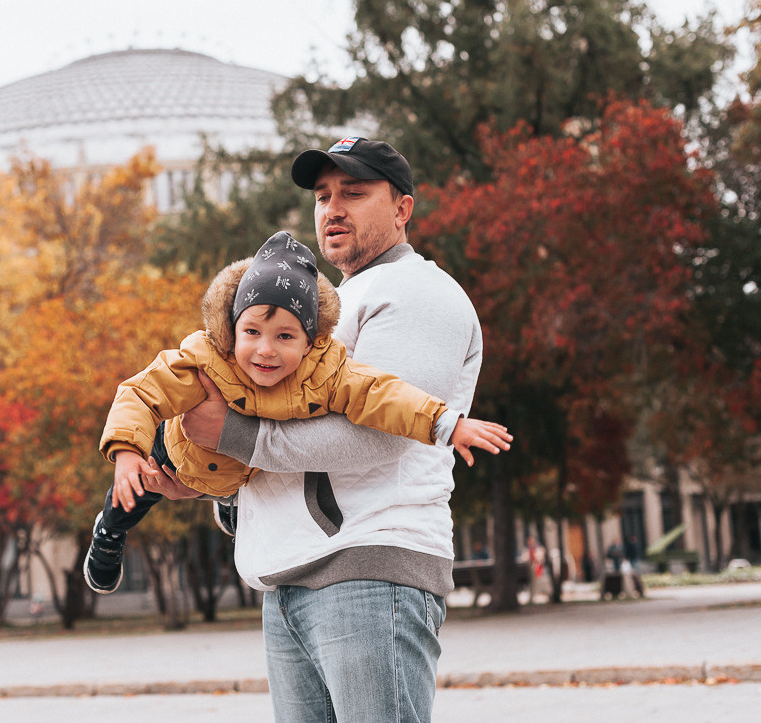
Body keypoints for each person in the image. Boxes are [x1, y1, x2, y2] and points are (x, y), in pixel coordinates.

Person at [149, 137, 499, 721]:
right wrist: (205, 480)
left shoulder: (416, 292)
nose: (332, 209)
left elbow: (380, 437)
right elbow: (285, 434)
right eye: (322, 195)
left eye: (354, 194)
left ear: (402, 209)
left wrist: (230, 433)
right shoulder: (316, 309)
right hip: (291, 581)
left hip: (367, 570)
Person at [85, 230, 512, 594]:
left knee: (244, 464)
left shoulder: (326, 375)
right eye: (251, 332)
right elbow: (140, 393)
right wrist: (126, 452)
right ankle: (109, 533)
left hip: (237, 467)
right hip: (177, 450)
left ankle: (229, 498)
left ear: (309, 342)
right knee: (137, 489)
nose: (265, 350)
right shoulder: (203, 363)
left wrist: (447, 423)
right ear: (230, 330)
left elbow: (385, 395)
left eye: (285, 336)